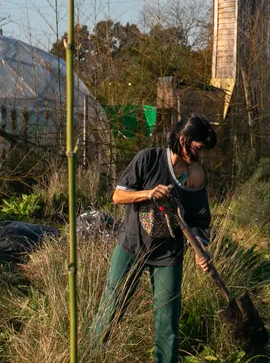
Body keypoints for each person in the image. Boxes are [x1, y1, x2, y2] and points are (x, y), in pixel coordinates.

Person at [91, 114, 217, 363]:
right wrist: (148, 193)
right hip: (132, 245)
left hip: (168, 254)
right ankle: (91, 354)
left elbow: (199, 221)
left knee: (167, 320)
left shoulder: (195, 175)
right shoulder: (148, 159)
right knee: (111, 306)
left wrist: (201, 249)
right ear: (183, 140)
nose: (201, 156)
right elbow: (118, 196)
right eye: (199, 149)